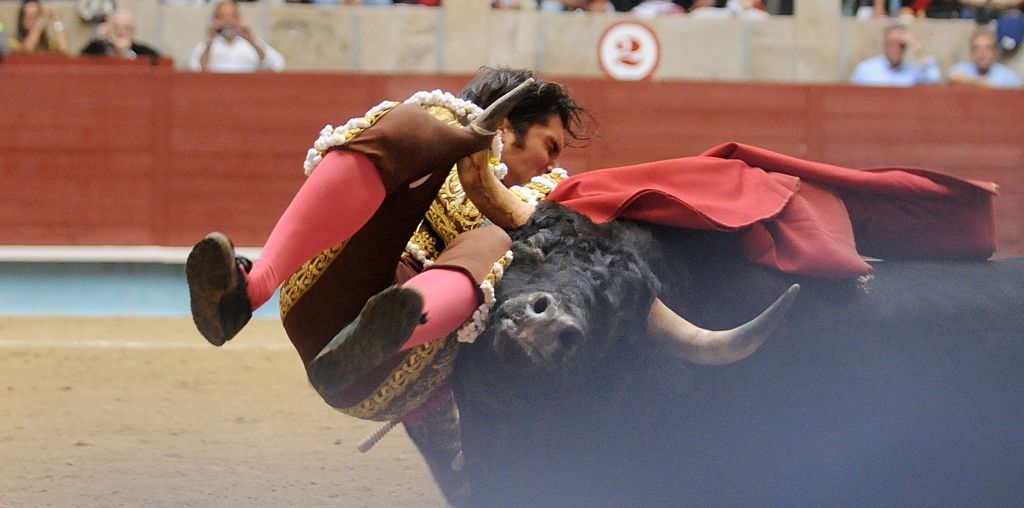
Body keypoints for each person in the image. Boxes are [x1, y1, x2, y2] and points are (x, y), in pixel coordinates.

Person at [185, 68, 586, 412]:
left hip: (399, 369)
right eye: (549, 146)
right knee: (410, 126)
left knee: (495, 240)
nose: (552, 163)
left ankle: (380, 337)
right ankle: (249, 291)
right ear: (505, 126)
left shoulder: (551, 193)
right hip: (328, 290)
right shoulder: (443, 122)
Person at [188, 0, 284, 73]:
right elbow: (195, 71)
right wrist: (209, 43)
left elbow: (278, 65)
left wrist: (252, 42)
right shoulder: (206, 45)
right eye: (222, 17)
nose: (227, 21)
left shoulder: (252, 43)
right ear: (215, 20)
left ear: (238, 19)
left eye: (232, 16)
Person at [850, 24, 940, 87]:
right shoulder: (866, 69)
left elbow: (933, 78)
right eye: (891, 44)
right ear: (885, 45)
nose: (896, 49)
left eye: (901, 45)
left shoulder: (912, 71)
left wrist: (916, 46)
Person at [948, 28, 1022, 88]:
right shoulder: (962, 69)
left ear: (995, 52)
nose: (982, 53)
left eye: (987, 48)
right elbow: (951, 77)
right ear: (971, 53)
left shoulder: (1008, 77)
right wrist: (979, 82)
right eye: (976, 48)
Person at [79, 8, 161, 61]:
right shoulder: (96, 51)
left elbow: (163, 64)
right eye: (116, 27)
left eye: (126, 28)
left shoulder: (144, 53)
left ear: (133, 32)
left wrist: (123, 53)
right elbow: (79, 63)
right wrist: (96, 41)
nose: (121, 31)